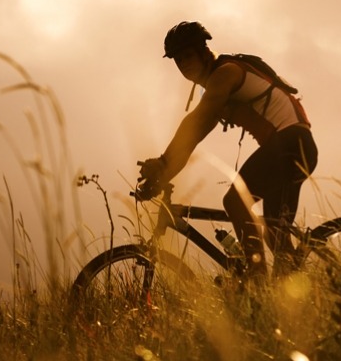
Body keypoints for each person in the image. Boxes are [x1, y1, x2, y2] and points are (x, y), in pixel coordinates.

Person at [134, 21, 317, 273]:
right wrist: (161, 177)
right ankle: (294, 290)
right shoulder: (216, 87)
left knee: (234, 202)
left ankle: (257, 279)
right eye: (177, 60)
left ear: (204, 52)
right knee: (276, 235)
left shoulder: (225, 74)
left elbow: (194, 121)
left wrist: (163, 162)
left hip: (289, 144)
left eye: (187, 56)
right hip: (293, 147)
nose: (183, 64)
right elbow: (193, 138)